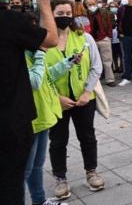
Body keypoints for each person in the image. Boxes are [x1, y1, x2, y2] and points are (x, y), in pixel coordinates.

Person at [0, 0, 57, 204]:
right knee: (11, 185)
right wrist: (43, 1)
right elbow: (50, 39)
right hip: (11, 123)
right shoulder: (7, 21)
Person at [45, 0, 104, 200]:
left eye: (68, 14)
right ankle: (60, 178)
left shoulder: (84, 38)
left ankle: (91, 172)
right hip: (56, 101)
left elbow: (97, 66)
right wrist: (57, 97)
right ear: (51, 14)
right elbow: (41, 74)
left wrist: (87, 92)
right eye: (59, 14)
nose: (64, 17)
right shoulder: (43, 42)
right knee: (58, 141)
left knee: (87, 136)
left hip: (83, 98)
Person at [23, 12, 68, 205]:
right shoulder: (19, 56)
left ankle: (39, 200)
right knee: (23, 170)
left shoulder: (32, 54)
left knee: (37, 166)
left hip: (43, 117)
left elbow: (46, 77)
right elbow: (34, 81)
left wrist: (67, 63)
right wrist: (41, 54)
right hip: (29, 121)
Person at [84, 0, 115, 87]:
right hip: (90, 40)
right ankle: (93, 80)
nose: (91, 6)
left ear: (97, 3)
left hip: (103, 38)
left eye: (93, 4)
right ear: (86, 5)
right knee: (92, 61)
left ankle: (110, 79)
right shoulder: (85, 14)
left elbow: (109, 24)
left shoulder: (104, 12)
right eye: (89, 4)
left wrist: (108, 36)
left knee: (107, 60)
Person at [108, 2, 122, 75]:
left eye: (114, 6)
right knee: (114, 54)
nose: (112, 8)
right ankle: (116, 67)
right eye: (111, 6)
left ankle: (121, 67)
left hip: (119, 38)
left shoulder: (120, 15)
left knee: (121, 54)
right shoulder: (108, 15)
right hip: (112, 38)